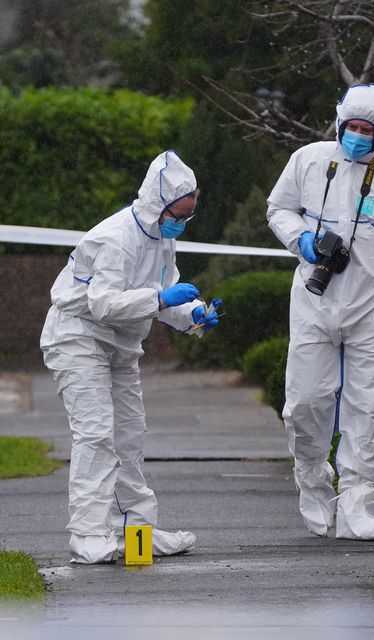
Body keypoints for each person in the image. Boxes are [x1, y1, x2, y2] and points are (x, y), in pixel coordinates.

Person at [266, 84, 374, 541]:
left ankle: (358, 501)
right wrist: (301, 239)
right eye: (352, 128)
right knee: (305, 401)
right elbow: (278, 208)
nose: (358, 137)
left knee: (369, 404)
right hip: (315, 295)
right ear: (339, 124)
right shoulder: (308, 159)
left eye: (368, 131)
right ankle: (312, 479)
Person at [41, 149, 220, 563]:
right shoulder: (116, 237)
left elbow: (163, 293)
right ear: (158, 204)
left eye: (188, 215)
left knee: (129, 436)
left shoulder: (162, 237)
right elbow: (103, 304)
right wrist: (159, 299)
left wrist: (194, 314)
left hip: (119, 345)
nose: (181, 222)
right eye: (177, 213)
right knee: (97, 433)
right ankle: (87, 534)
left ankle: (136, 532)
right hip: (78, 337)